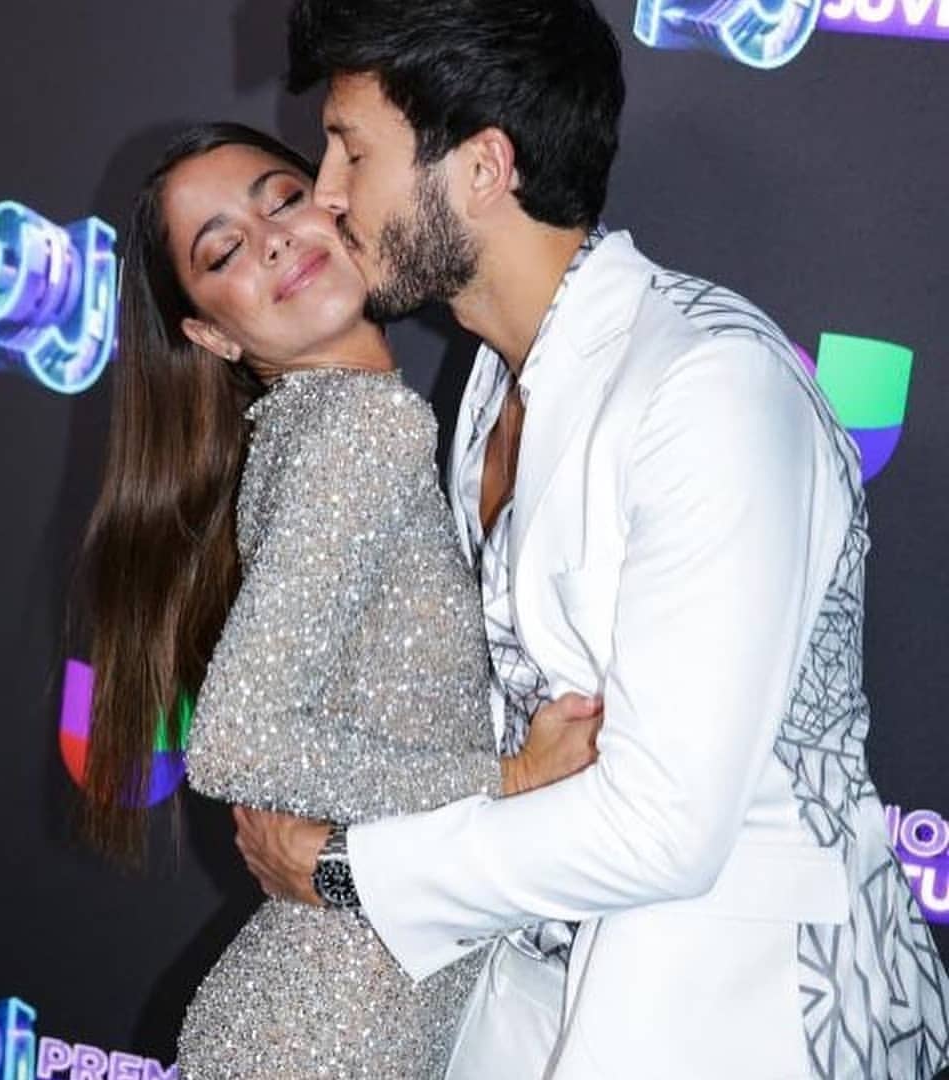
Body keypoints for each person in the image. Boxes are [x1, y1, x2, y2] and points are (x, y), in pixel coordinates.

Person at [231, 2, 949, 1076]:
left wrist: (347, 867)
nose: (326, 193)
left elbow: (664, 826)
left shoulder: (707, 385)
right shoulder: (490, 383)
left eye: (353, 150)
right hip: (530, 1000)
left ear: (483, 167)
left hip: (746, 1016)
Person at [77, 122, 601, 1079]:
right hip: (320, 1036)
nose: (274, 240)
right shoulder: (361, 430)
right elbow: (237, 741)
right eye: (225, 252)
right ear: (211, 334)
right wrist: (508, 779)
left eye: (282, 199)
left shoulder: (316, 426)